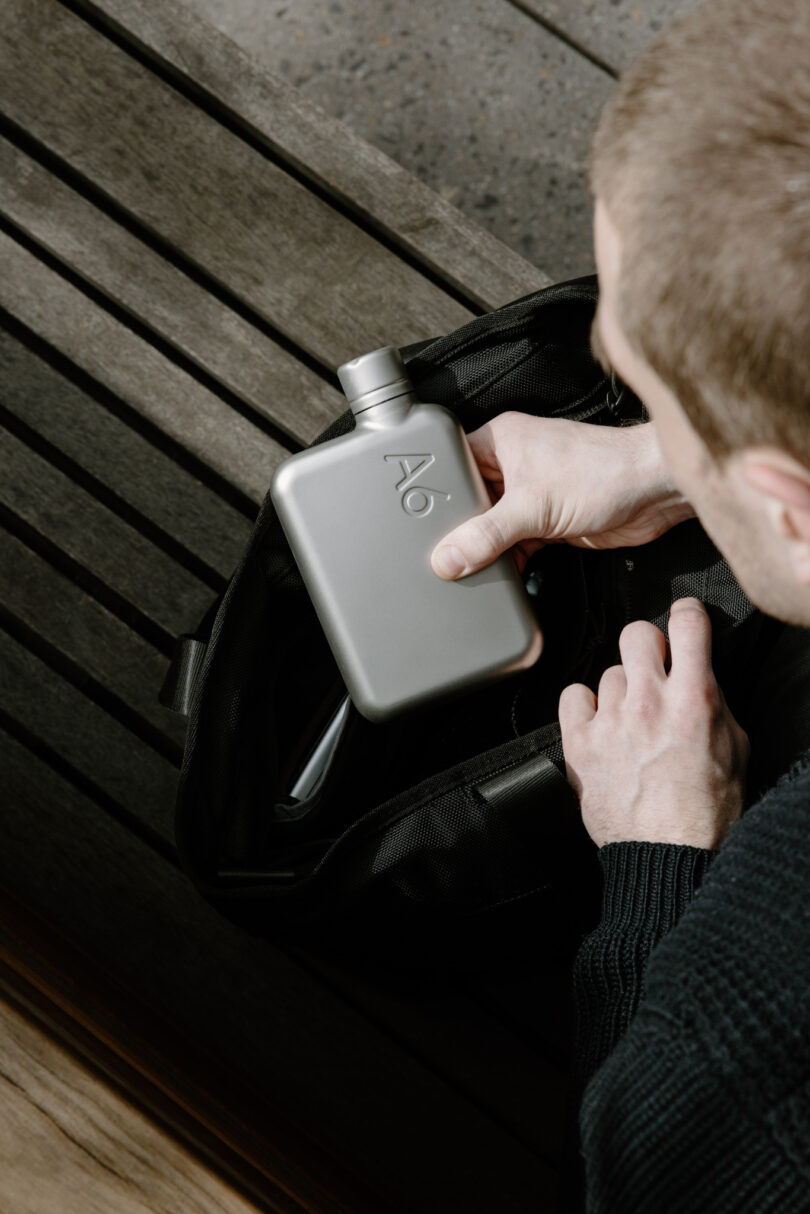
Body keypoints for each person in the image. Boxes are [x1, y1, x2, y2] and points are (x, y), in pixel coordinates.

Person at [430, 0, 810, 1209]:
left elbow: (633, 1178)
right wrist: (667, 455)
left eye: (635, 373)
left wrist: (660, 856)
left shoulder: (732, 1051)